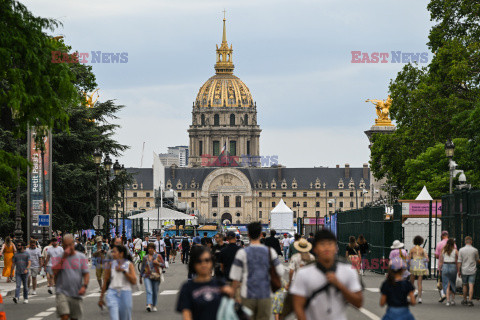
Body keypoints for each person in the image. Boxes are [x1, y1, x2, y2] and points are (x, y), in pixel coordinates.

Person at [291, 229, 363, 320]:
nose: (326, 248)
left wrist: (339, 285)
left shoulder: (348, 271)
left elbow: (358, 302)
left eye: (330, 244)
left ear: (336, 248)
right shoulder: (304, 273)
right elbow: (298, 306)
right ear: (315, 249)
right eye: (322, 244)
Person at [230, 222, 284, 320]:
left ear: (248, 234)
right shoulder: (270, 252)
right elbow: (280, 271)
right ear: (260, 234)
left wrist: (233, 298)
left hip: (247, 295)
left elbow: (235, 278)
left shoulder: (242, 253)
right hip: (265, 295)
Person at [176, 246, 234, 320]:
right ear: (193, 264)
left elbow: (230, 308)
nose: (203, 264)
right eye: (199, 261)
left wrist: (230, 293)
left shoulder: (220, 283)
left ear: (212, 262)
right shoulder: (187, 287)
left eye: (207, 260)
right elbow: (186, 314)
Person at [53, 234, 89, 320]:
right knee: (64, 316)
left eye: (70, 245)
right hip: (62, 292)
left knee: (74, 317)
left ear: (73, 244)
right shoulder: (59, 257)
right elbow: (54, 272)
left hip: (76, 292)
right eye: (66, 246)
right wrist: (63, 258)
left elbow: (86, 274)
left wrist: (84, 286)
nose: (68, 247)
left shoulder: (81, 257)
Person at [99, 245, 137, 320]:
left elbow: (134, 280)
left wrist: (123, 271)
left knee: (125, 318)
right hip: (112, 293)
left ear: (121, 253)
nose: (112, 254)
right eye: (112, 252)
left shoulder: (129, 264)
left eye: (114, 252)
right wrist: (101, 298)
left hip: (125, 293)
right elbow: (106, 281)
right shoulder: (110, 264)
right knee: (114, 318)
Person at [140, 242, 165, 312]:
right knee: (149, 290)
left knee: (155, 291)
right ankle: (149, 304)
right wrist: (140, 276)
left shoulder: (158, 256)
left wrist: (158, 263)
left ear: (154, 249)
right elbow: (142, 267)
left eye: (151, 248)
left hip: (156, 276)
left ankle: (154, 305)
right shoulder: (145, 257)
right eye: (149, 248)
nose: (150, 249)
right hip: (147, 275)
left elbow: (163, 265)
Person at [458, 236, 480, 306]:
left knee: (464, 285)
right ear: (471, 242)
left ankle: (465, 299)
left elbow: (459, 261)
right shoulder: (475, 250)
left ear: (465, 242)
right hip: (472, 270)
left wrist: (459, 270)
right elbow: (477, 259)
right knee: (471, 285)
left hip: (464, 270)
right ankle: (470, 300)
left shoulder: (461, 250)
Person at [435, 231, 456, 302]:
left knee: (442, 282)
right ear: (448, 235)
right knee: (452, 283)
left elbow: (437, 256)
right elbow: (456, 257)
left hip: (443, 266)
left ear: (442, 236)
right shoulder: (454, 245)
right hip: (453, 265)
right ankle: (451, 298)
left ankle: (443, 294)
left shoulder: (439, 244)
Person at [408, 236, 428, 303]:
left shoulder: (412, 249)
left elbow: (408, 258)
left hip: (413, 264)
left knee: (412, 281)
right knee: (420, 282)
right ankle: (420, 298)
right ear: (421, 242)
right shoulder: (422, 249)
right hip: (420, 264)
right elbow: (427, 259)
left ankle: (413, 293)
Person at [438, 238, 458, 306]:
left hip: (445, 266)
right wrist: (458, 270)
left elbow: (440, 261)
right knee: (453, 283)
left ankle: (448, 301)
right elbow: (458, 261)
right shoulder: (455, 251)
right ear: (453, 244)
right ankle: (453, 300)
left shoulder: (443, 250)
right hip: (453, 266)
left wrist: (440, 270)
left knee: (446, 284)